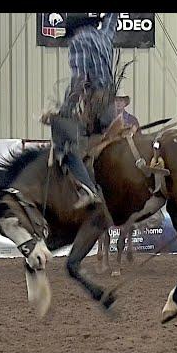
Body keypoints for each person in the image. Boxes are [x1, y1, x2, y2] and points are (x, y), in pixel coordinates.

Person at [49, 13, 119, 209]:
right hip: (109, 102)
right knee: (100, 141)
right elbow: (111, 22)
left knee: (64, 142)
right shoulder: (103, 37)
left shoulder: (78, 42)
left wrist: (64, 111)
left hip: (94, 103)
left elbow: (79, 79)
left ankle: (88, 189)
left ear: (72, 31)